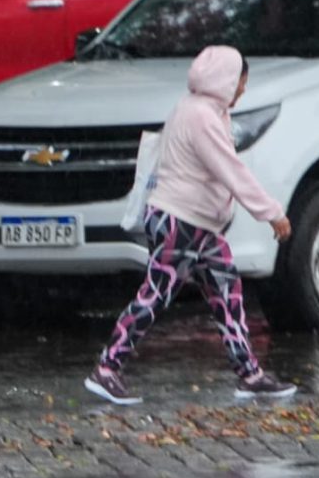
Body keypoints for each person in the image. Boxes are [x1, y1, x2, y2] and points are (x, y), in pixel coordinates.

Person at [85, 45, 296, 405]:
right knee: (156, 295)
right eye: (241, 82)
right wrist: (271, 212)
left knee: (226, 292)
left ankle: (250, 374)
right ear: (226, 80)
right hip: (181, 222)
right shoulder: (201, 116)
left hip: (196, 225)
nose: (243, 90)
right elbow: (230, 170)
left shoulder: (199, 109)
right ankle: (106, 369)